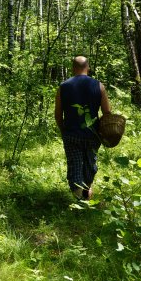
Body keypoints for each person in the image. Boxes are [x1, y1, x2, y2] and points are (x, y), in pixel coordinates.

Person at [55, 55, 111, 200]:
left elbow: (58, 114)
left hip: (71, 134)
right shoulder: (99, 85)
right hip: (93, 134)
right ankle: (85, 197)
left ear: (73, 68)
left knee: (75, 165)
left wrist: (63, 130)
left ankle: (80, 197)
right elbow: (107, 113)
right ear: (88, 67)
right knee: (90, 164)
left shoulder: (63, 86)